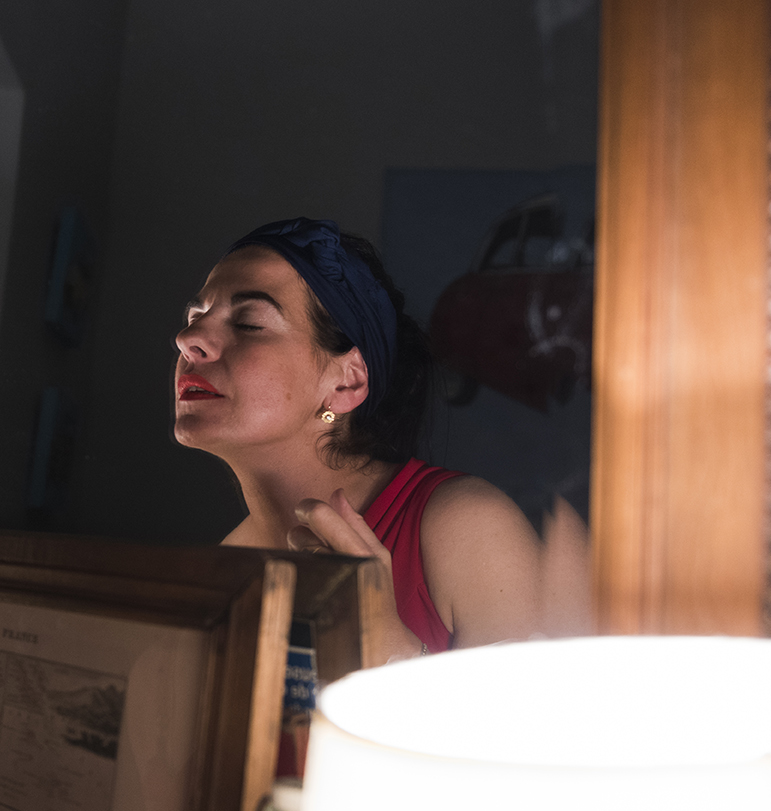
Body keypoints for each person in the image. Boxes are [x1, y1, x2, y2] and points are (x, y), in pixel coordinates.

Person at [174, 217, 574, 659]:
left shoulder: (469, 529)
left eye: (249, 322)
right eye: (195, 317)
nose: (188, 338)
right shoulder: (223, 567)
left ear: (347, 382)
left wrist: (387, 644)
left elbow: (533, 707)